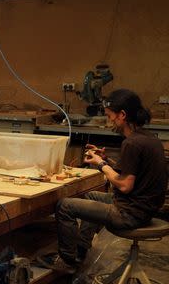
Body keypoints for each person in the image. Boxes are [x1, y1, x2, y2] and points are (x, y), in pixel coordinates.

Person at [51, 89, 167, 270]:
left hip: (129, 214)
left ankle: (67, 261)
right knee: (91, 197)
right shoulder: (148, 138)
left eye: (110, 116)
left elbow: (125, 185)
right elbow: (133, 171)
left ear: (122, 115)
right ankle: (81, 250)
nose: (109, 121)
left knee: (64, 206)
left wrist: (100, 165)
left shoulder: (132, 143)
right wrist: (106, 160)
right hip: (144, 209)